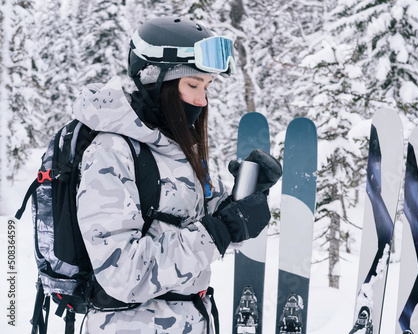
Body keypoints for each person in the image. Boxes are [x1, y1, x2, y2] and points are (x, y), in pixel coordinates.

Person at [74, 16, 282, 334]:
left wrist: (242, 202)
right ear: (157, 82)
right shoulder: (110, 153)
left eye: (207, 86)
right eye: (193, 85)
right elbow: (123, 273)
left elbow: (196, 224)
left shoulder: (179, 151)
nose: (203, 100)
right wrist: (220, 230)